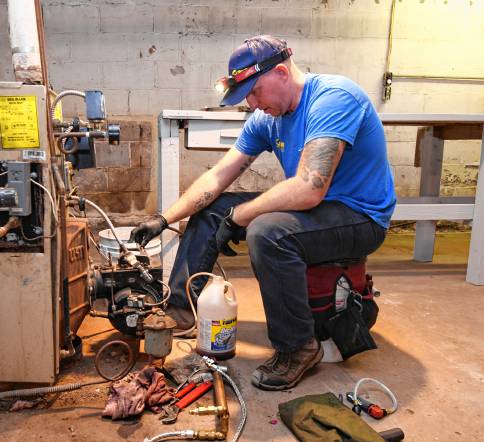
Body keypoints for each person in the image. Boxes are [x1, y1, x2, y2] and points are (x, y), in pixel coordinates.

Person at [130, 35, 396, 391]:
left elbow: (309, 187)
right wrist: (165, 218)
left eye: (255, 93)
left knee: (267, 231)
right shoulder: (267, 118)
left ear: (282, 73)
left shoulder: (333, 98)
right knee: (214, 208)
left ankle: (298, 348)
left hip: (360, 216)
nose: (253, 104)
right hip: (319, 208)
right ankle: (180, 309)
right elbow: (218, 176)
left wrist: (241, 217)